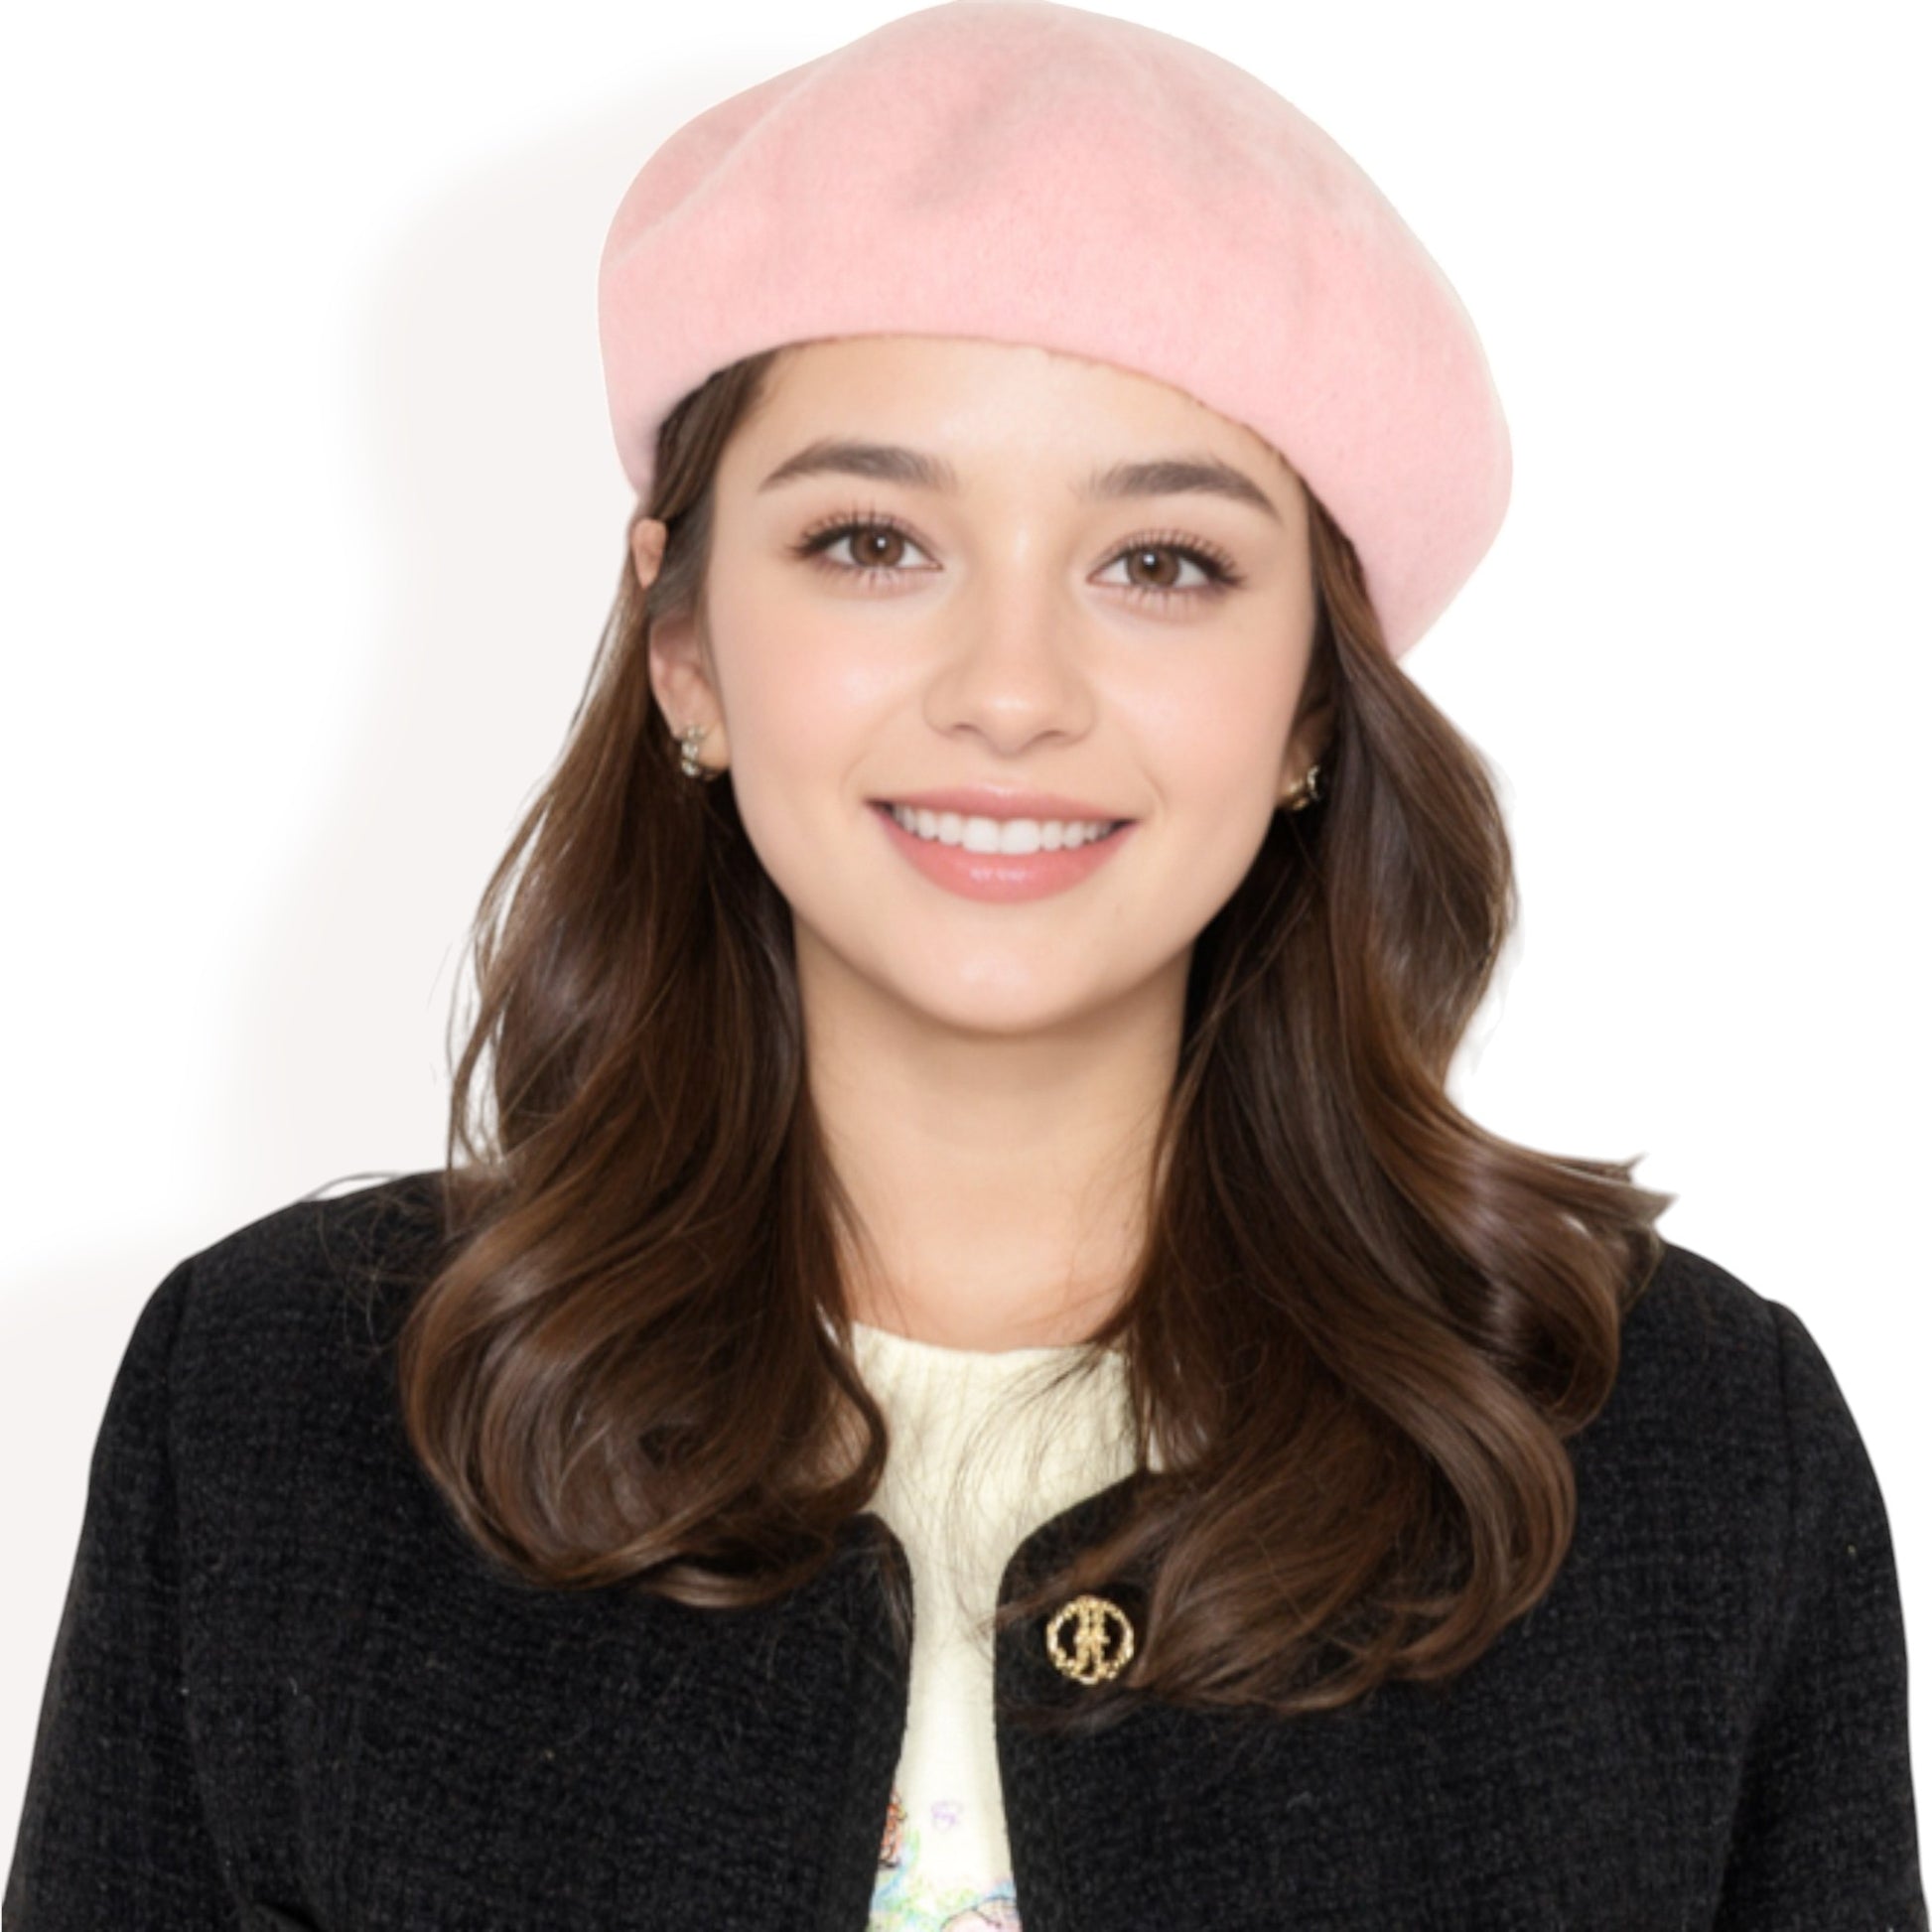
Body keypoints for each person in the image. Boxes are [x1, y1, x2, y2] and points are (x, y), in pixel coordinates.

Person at [7, 2, 1925, 1926]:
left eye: (1160, 563)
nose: (1011, 691)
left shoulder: (1682, 1453)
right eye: (871, 541)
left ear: (1310, 705)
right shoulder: (280, 1412)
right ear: (685, 647)